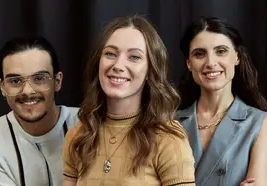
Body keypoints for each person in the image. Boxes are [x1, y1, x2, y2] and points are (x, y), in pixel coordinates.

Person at [62, 15, 196, 186]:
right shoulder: (79, 135)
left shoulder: (168, 138)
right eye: (110, 54)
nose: (118, 65)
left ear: (150, 71)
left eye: (134, 57)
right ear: (98, 62)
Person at [174, 17, 267, 186]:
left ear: (237, 57)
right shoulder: (172, 121)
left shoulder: (259, 122)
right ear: (189, 63)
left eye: (220, 51)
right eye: (199, 54)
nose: (211, 63)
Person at [0, 36, 79, 186]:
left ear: (57, 81)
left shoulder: (90, 124)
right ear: (2, 87)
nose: (28, 91)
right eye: (15, 81)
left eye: (40, 78)